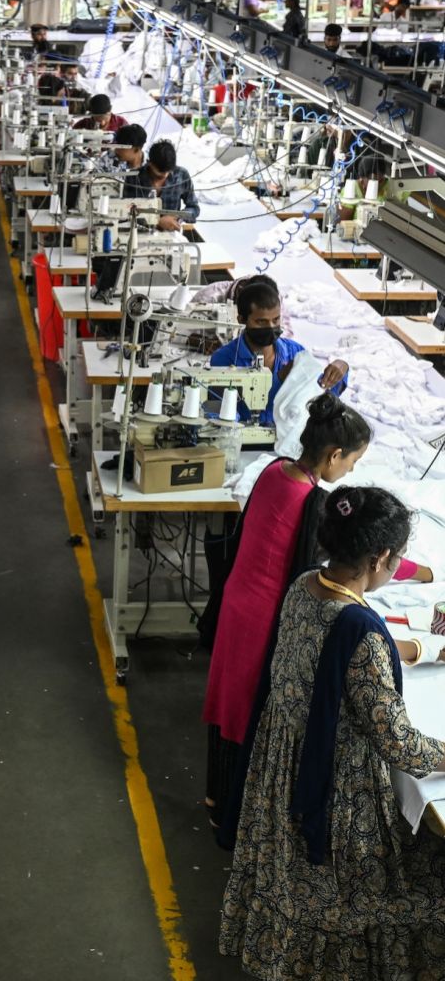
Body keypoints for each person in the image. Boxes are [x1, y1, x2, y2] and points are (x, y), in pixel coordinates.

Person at [220, 486, 445, 979]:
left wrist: (417, 649)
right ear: (379, 557)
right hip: (334, 791)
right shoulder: (360, 632)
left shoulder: (305, 585)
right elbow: (400, 744)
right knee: (427, 870)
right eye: (397, 558)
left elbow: (335, 653)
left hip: (282, 770)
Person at [201, 395, 430, 825]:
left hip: (236, 605)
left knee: (228, 705)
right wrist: (420, 572)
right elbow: (355, 554)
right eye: (353, 461)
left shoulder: (275, 471)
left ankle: (216, 800)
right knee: (250, 710)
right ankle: (234, 815)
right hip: (263, 622)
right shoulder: (310, 502)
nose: (351, 471)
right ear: (334, 454)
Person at [210, 277, 348, 425]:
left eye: (275, 320)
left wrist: (341, 369)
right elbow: (222, 416)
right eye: (261, 322)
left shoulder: (295, 352)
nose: (270, 327)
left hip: (289, 436)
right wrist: (279, 381)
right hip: (241, 437)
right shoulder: (223, 359)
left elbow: (321, 394)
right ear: (241, 319)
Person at [123, 139, 199, 230]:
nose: (165, 175)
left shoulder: (181, 175)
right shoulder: (133, 178)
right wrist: (157, 222)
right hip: (139, 232)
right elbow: (125, 212)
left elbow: (194, 208)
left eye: (168, 172)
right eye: (159, 173)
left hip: (170, 233)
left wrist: (177, 216)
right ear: (149, 163)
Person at [189, 273, 294, 339]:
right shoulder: (209, 297)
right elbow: (186, 333)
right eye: (260, 321)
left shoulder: (273, 297)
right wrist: (202, 342)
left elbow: (287, 333)